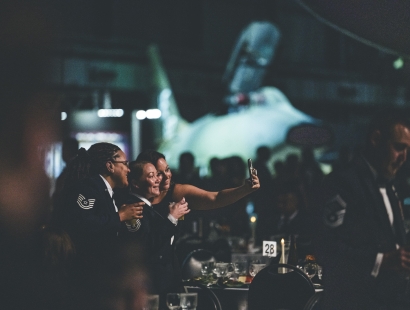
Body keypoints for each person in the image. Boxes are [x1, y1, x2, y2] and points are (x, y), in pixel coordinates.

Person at [314, 110, 410, 309]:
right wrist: (380, 261)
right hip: (354, 300)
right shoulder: (342, 182)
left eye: (407, 150)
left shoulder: (389, 185)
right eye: (399, 147)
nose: (404, 157)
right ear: (376, 139)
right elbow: (325, 246)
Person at [54, 143, 146, 308]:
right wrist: (120, 216)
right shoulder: (88, 188)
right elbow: (82, 225)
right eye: (124, 164)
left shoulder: (104, 190)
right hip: (87, 278)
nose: (128, 169)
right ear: (110, 166)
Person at [122, 160, 189, 309]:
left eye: (157, 175)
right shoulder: (134, 208)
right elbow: (145, 247)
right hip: (152, 285)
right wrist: (171, 218)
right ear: (136, 184)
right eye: (151, 176)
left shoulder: (148, 208)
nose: (158, 179)